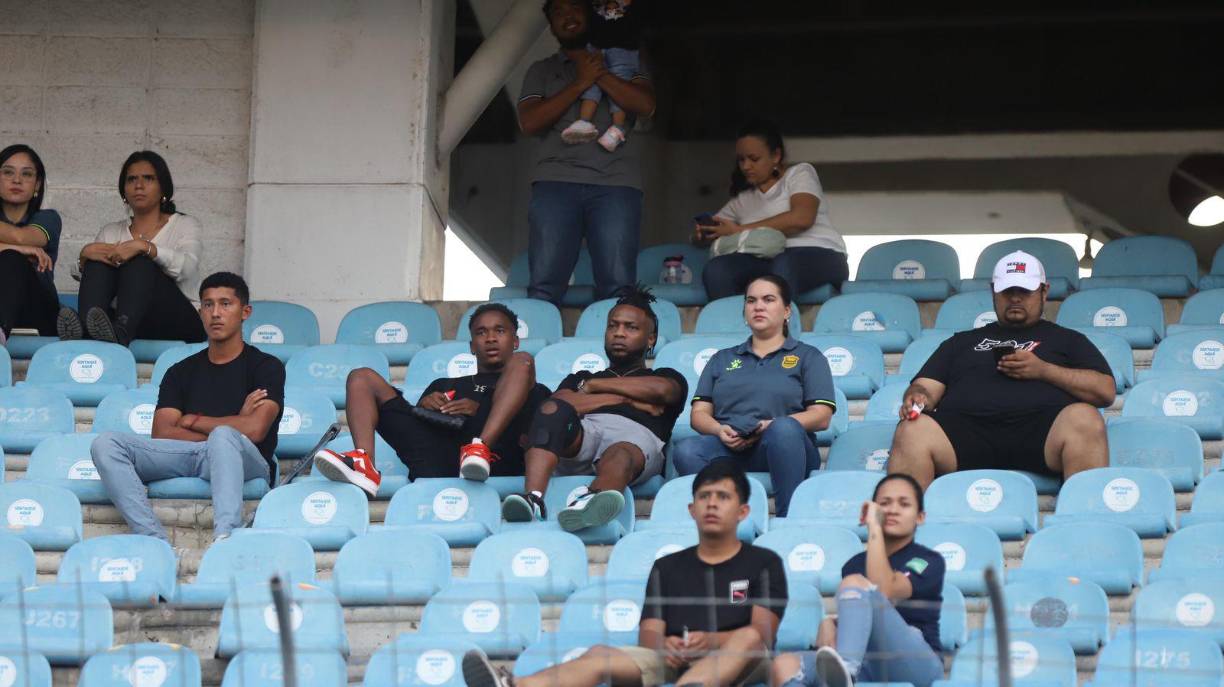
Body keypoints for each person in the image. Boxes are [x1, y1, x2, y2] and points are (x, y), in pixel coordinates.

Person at [463, 460, 786, 687]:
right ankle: (516, 684)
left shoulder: (763, 562)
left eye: (723, 497)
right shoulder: (668, 567)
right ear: (692, 510)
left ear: (743, 511)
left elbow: (762, 634)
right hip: (675, 661)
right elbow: (648, 634)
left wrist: (711, 640)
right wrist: (666, 645)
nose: (712, 505)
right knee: (599, 654)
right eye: (704, 497)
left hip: (743, 661)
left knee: (746, 637)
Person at [888, 250, 1114, 490]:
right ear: (993, 292)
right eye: (1007, 291)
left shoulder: (1068, 340)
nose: (1015, 298)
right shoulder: (960, 342)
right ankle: (902, 525)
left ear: (1044, 292)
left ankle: (1083, 522)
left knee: (1086, 418)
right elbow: (925, 387)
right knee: (912, 428)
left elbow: (1105, 391)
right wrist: (917, 396)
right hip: (964, 435)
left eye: (1025, 291)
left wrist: (1044, 370)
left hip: (1041, 435)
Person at [90, 272, 283, 542]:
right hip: (187, 455)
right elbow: (162, 433)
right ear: (200, 311)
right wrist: (233, 422)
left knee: (224, 437)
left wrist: (193, 420)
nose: (216, 313)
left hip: (246, 461)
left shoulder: (266, 366)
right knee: (106, 444)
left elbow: (255, 429)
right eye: (208, 304)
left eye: (226, 304)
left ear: (245, 312)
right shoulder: (180, 371)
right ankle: (153, 540)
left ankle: (226, 536)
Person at [313, 303, 550, 497]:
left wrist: (480, 410)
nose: (490, 338)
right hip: (438, 460)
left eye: (500, 331)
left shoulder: (534, 389)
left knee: (523, 361)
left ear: (515, 340)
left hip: (495, 463)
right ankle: (364, 463)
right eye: (481, 332)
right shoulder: (445, 384)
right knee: (361, 378)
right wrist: (426, 407)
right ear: (471, 346)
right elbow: (420, 432)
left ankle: (480, 448)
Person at [502, 286, 686, 531]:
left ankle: (590, 502)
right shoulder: (581, 376)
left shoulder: (664, 375)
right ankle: (533, 499)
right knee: (550, 412)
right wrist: (626, 400)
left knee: (620, 454)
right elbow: (558, 405)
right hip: (584, 432)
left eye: (631, 328)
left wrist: (594, 386)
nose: (619, 333)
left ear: (650, 338)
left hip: (635, 441)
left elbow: (663, 391)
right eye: (613, 326)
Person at [519, 0, 656, 306]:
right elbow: (529, 122)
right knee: (543, 286)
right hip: (555, 182)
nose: (567, 16)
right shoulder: (543, 69)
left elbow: (645, 106)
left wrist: (600, 73)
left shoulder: (630, 61)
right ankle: (535, 354)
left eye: (574, 7)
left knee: (619, 288)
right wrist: (581, 81)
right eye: (557, 12)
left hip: (616, 184)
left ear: (591, 13)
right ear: (551, 25)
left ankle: (617, 354)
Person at [672, 275, 835, 517]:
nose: (758, 306)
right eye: (751, 301)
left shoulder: (809, 357)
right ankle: (721, 522)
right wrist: (719, 431)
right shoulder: (722, 359)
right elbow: (699, 414)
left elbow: (822, 417)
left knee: (784, 430)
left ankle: (787, 519)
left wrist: (773, 426)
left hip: (787, 447)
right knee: (686, 450)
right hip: (730, 447)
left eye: (768, 299)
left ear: (787, 311)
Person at [772, 473, 946, 687]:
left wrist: (874, 528)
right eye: (884, 503)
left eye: (904, 504)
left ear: (920, 517)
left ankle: (846, 671)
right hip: (866, 662)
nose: (892, 509)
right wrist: (829, 622)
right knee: (784, 664)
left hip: (915, 665)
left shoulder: (928, 560)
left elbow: (884, 591)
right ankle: (844, 674)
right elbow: (858, 619)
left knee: (854, 583)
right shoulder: (853, 565)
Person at [58, 150, 204, 346]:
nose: (139, 185)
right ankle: (88, 331)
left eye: (148, 178)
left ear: (163, 188)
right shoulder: (110, 231)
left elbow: (188, 270)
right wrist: (83, 258)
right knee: (97, 263)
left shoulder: (185, 224)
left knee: (140, 262)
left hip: (178, 323)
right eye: (132, 179)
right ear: (124, 191)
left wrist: (146, 247)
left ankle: (119, 334)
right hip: (130, 322)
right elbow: (96, 279)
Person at [695, 119, 849, 300]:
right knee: (717, 269)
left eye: (754, 159)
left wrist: (738, 230)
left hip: (822, 256)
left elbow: (802, 218)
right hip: (771, 261)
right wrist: (701, 234)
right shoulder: (742, 201)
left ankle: (779, 328)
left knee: (783, 265)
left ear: (776, 156)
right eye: (741, 160)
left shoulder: (799, 174)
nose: (745, 166)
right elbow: (711, 232)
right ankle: (730, 326)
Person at [561, 0, 648, 152]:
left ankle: (617, 129)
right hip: (598, 48)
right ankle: (584, 122)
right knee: (591, 83)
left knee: (618, 87)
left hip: (623, 50)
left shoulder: (636, 8)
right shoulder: (595, 7)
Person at [0, 144, 61, 345]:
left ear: (37, 184)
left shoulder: (48, 218)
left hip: (37, 311)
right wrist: (19, 250)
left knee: (11, 260)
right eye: (8, 172)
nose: (16, 180)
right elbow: (18, 245)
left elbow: (22, 238)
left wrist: (15, 249)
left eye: (26, 174)